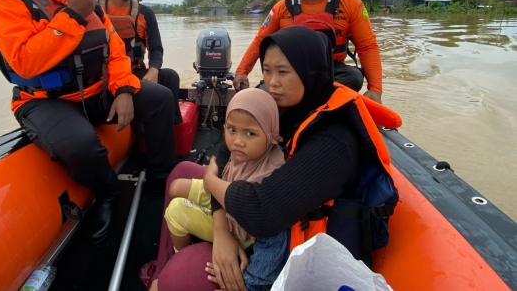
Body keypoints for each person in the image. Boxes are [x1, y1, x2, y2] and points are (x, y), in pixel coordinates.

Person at [148, 27, 398, 291]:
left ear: (310, 70)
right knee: (181, 172)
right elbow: (224, 154)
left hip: (275, 245)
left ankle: (168, 275)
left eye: (283, 71)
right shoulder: (285, 104)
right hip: (242, 208)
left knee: (179, 279)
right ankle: (160, 266)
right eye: (267, 70)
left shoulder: (334, 140)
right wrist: (221, 230)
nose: (272, 81)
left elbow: (261, 212)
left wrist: (211, 182)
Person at [0, 0, 177, 244]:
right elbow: (26, 61)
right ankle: (108, 192)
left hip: (95, 91)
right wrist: (72, 15)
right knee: (80, 146)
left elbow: (116, 52)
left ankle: (161, 180)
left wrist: (122, 89)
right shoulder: (10, 2)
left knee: (160, 98)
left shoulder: (92, 5)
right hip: (46, 102)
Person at [163, 88, 288, 290]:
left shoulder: (268, 179)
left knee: (176, 211)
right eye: (231, 130)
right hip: (225, 200)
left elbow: (274, 242)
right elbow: (223, 170)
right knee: (177, 187)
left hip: (240, 231)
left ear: (271, 134)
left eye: (250, 133)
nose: (237, 141)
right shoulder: (246, 153)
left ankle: (182, 254)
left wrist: (252, 283)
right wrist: (212, 175)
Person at [233, 0, 384, 104]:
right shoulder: (282, 7)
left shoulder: (351, 4)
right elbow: (260, 40)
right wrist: (242, 71)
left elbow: (367, 47)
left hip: (330, 72)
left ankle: (310, 104)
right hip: (288, 72)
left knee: (354, 77)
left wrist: (375, 89)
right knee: (256, 102)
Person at [99, 0, 182, 123]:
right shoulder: (93, 9)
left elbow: (156, 49)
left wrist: (153, 70)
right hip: (102, 78)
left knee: (170, 76)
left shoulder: (145, 13)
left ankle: (172, 127)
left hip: (133, 72)